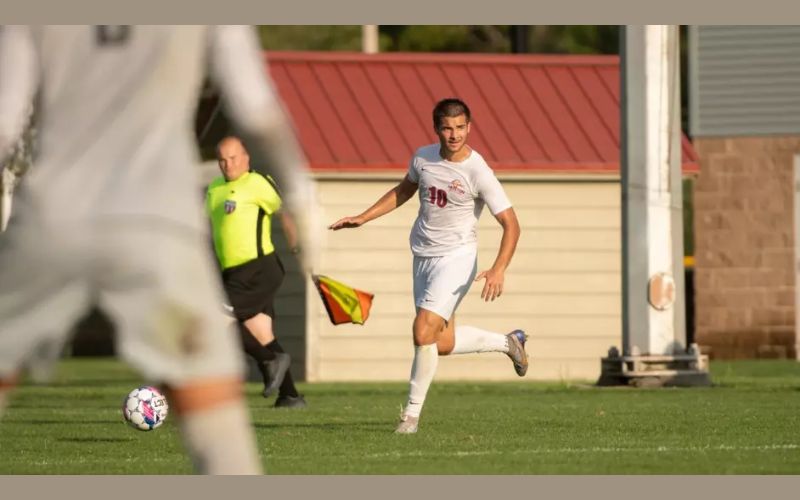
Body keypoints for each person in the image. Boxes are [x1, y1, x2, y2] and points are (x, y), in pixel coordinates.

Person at [0, 25, 319, 474]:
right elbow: (258, 110)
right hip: (157, 223)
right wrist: (303, 199)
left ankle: (279, 376)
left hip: (52, 213)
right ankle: (271, 374)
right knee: (216, 423)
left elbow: (4, 120)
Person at [329, 98, 527, 434]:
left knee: (422, 330)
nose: (454, 135)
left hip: (458, 258)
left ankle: (410, 416)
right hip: (423, 257)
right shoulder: (423, 157)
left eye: (460, 127)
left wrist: (498, 269)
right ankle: (508, 342)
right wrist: (363, 217)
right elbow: (403, 190)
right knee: (441, 343)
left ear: (469, 127)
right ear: (437, 129)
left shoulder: (478, 170)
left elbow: (512, 224)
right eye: (447, 128)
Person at [207, 136, 306, 409]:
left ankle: (267, 361)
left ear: (246, 157)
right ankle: (291, 396)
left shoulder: (258, 183)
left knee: (215, 321)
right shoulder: (214, 188)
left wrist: (299, 248)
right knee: (261, 332)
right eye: (222, 160)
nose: (228, 165)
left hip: (258, 268)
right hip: (232, 273)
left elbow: (286, 212)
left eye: (233, 158)